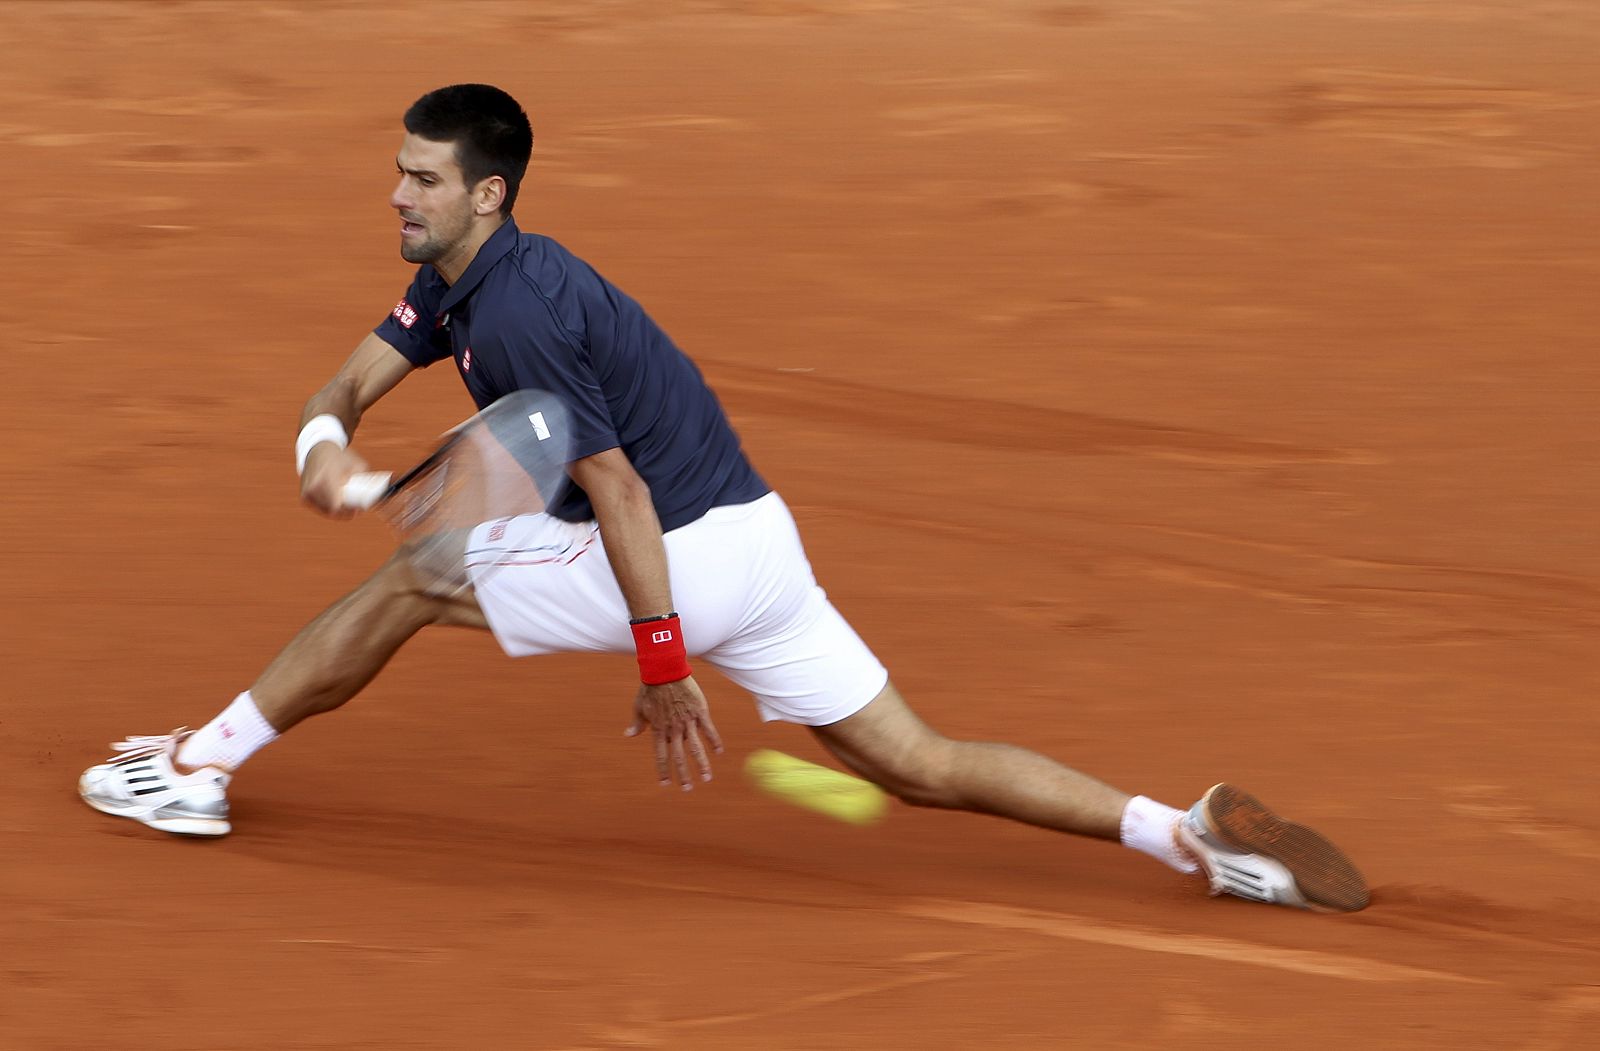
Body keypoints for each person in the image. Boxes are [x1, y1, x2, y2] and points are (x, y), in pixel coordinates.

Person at [79, 84, 1369, 913]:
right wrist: (319, 435)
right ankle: (1187, 836)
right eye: (397, 172)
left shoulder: (518, 315)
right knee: (913, 763)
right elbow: (358, 376)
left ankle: (196, 770)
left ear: (489, 192)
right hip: (759, 536)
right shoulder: (474, 274)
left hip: (676, 556)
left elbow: (620, 494)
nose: (397, 195)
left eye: (422, 179)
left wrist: (659, 662)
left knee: (415, 578)